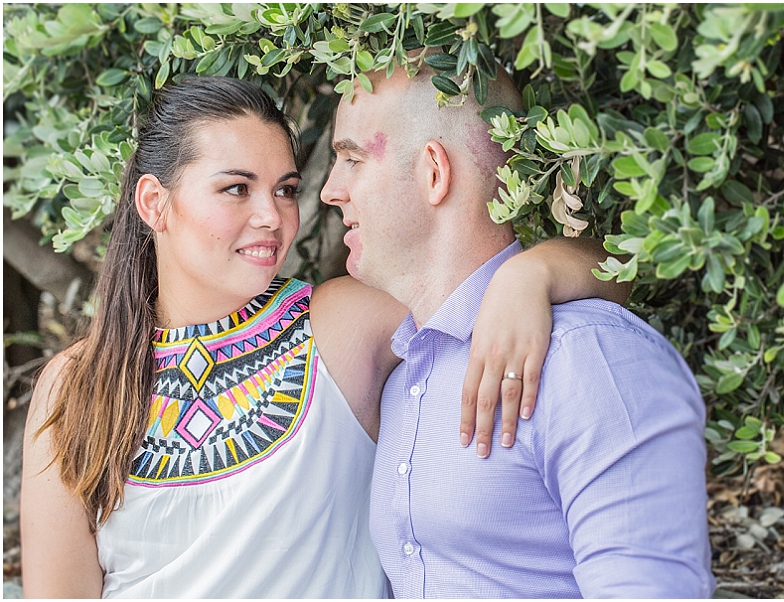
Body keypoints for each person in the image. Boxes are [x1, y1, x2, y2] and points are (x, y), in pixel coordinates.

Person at [19, 77, 627, 598]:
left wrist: (533, 274)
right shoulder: (77, 387)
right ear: (155, 202)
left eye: (285, 189)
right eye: (237, 188)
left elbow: (621, 271)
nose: (273, 215)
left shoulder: (341, 323)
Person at [321, 64, 717, 597]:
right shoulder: (403, 368)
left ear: (433, 172)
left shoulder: (589, 361)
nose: (329, 190)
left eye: (352, 159)